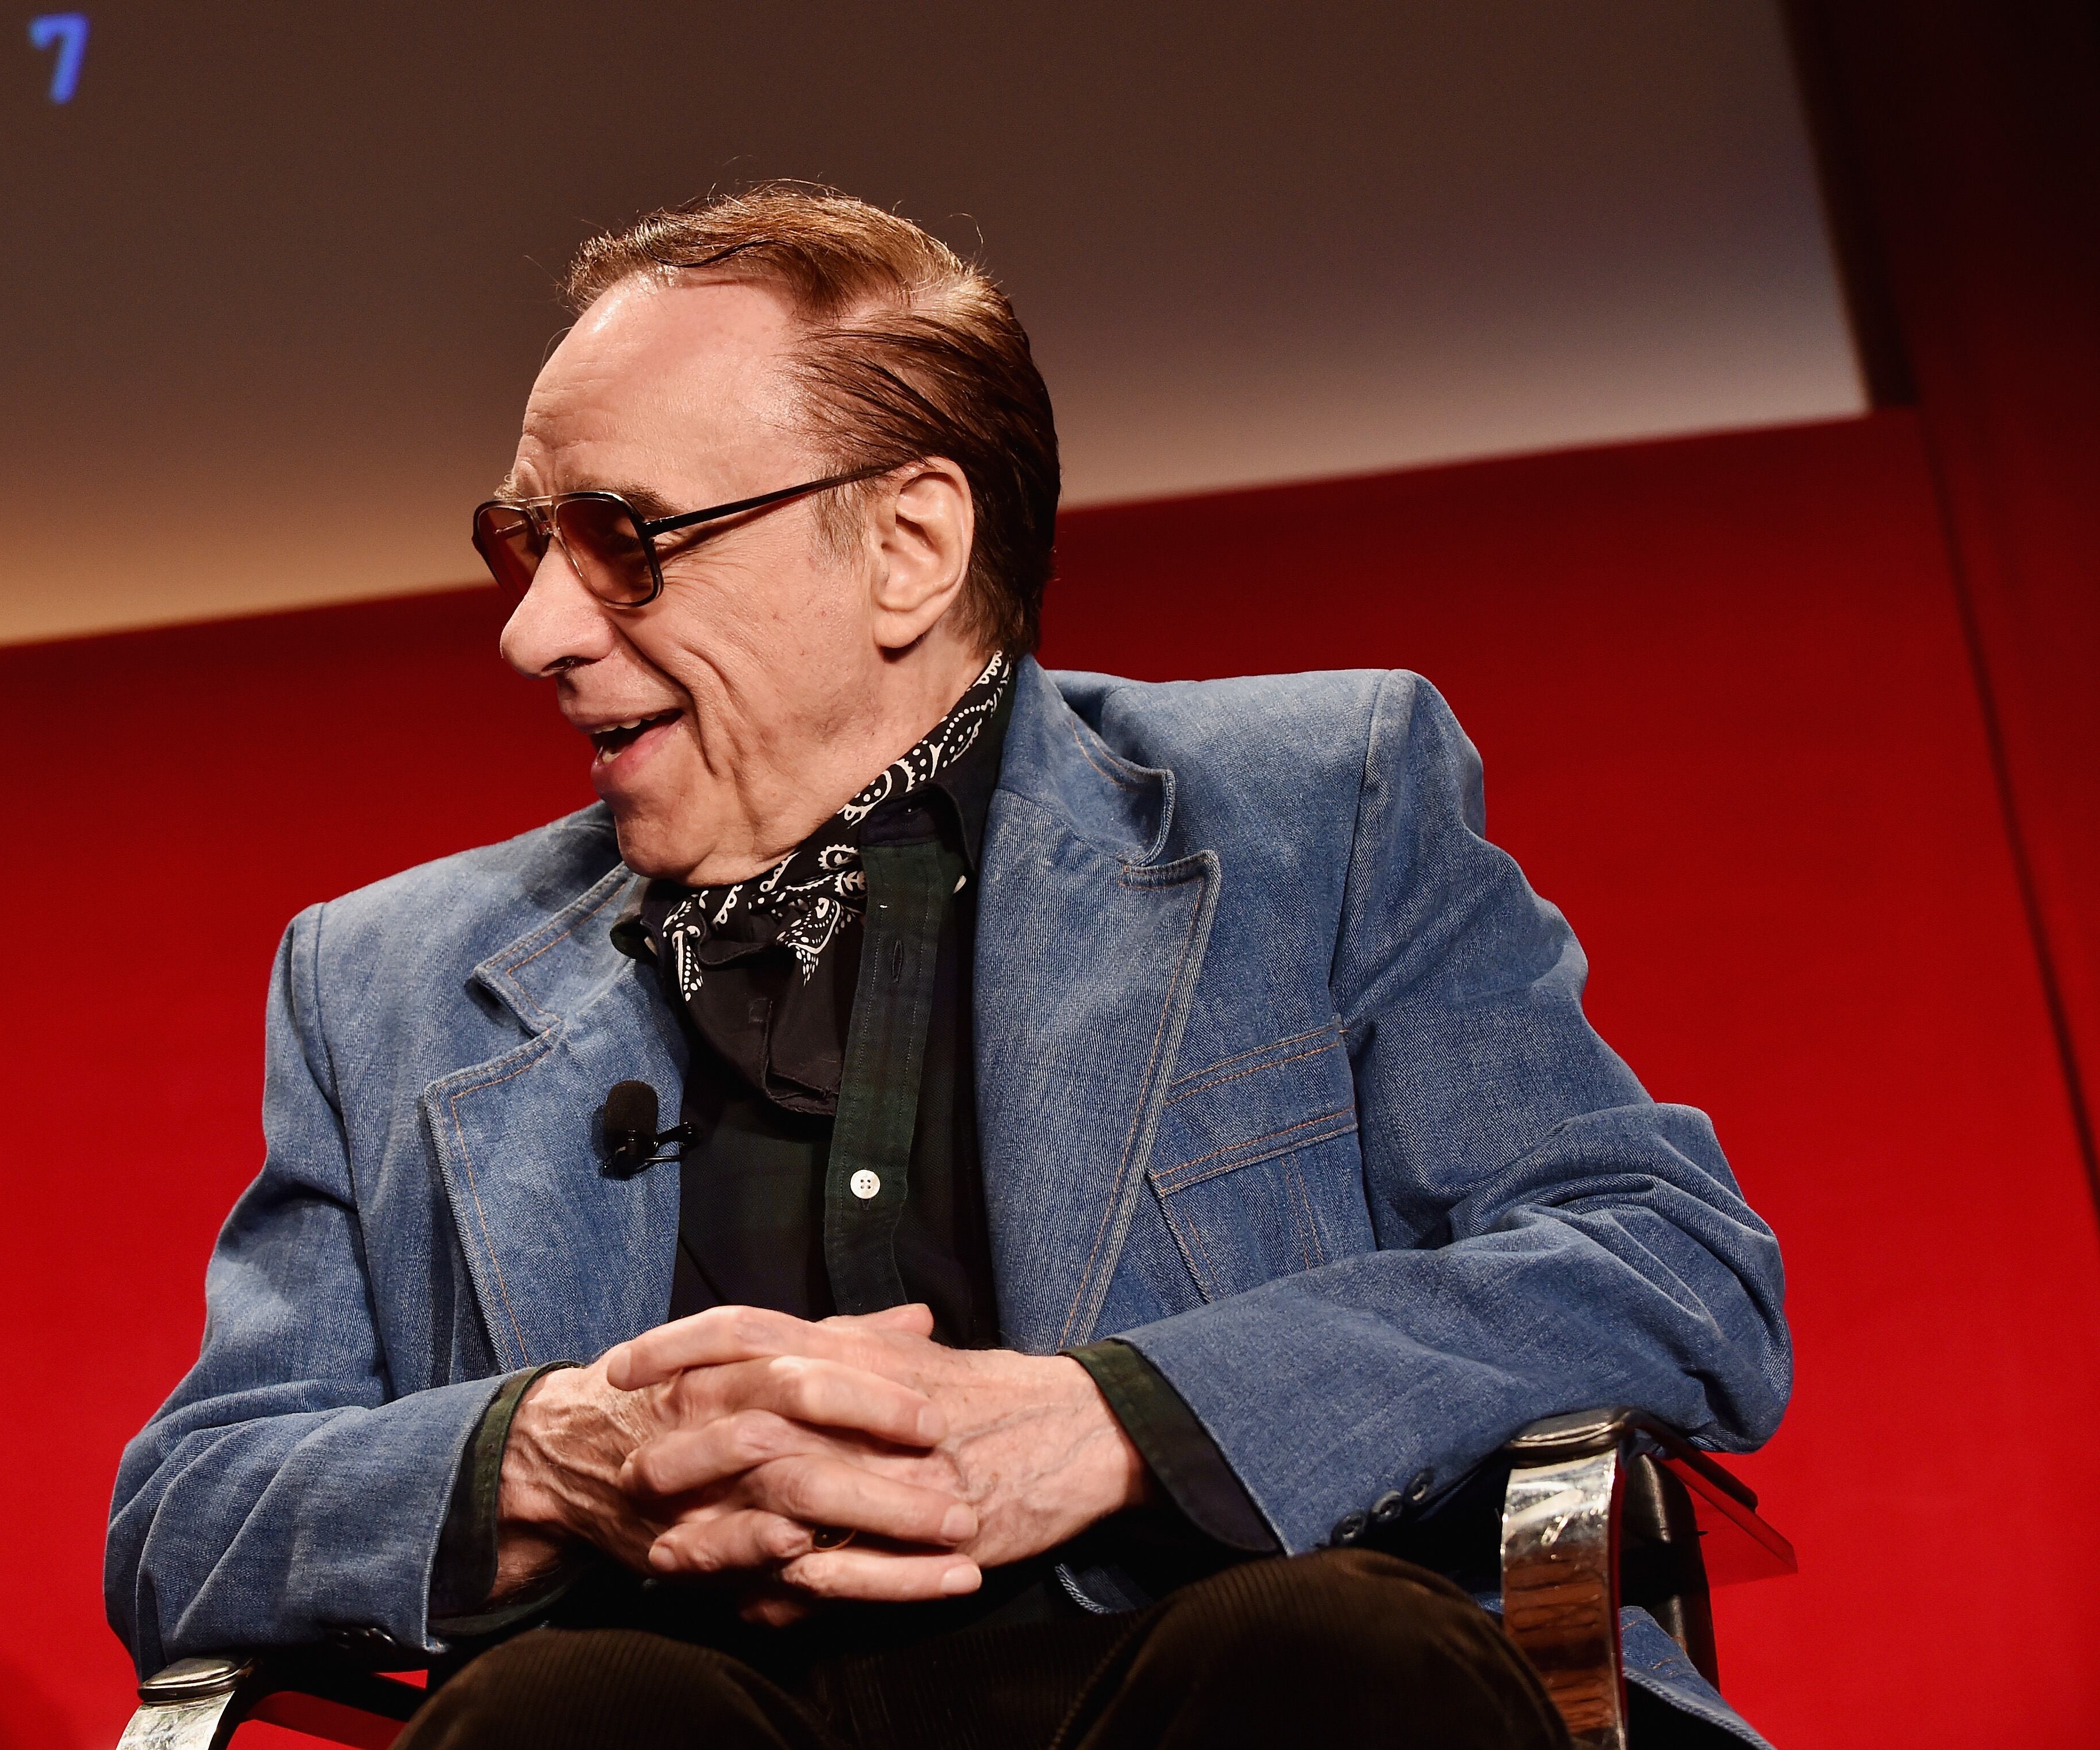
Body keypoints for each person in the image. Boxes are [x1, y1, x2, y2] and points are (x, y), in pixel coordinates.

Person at [105, 185, 1789, 1749]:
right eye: (522, 540)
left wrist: (1116, 1422)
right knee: (571, 1715)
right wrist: (543, 1455)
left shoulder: (1310, 807)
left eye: (621, 538)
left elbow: (1660, 1267)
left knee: (1318, 1651)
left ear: (908, 544)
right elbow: (191, 1513)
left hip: (1218, 1685)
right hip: (693, 1717)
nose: (532, 628)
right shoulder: (382, 979)